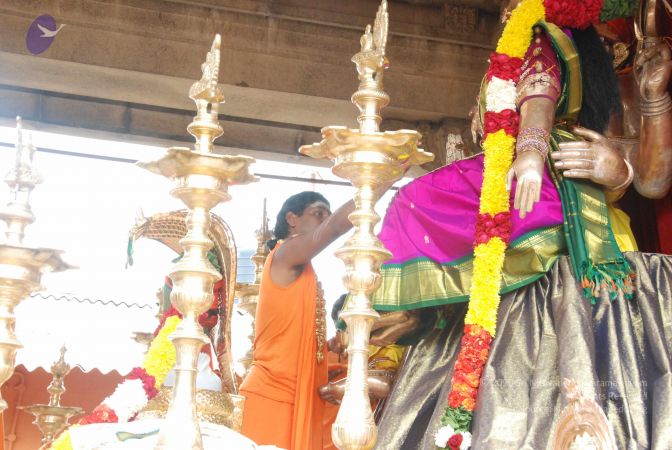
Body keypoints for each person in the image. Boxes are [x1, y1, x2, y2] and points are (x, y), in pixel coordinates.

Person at [369, 1, 672, 449]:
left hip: (586, 234)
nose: (511, 9)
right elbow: (522, 123)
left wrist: (623, 158)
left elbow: (653, 180)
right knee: (418, 209)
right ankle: (392, 338)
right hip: (512, 213)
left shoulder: (613, 76)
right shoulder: (513, 62)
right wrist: (526, 153)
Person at [240, 185, 397, 450]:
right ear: (292, 219)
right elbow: (334, 227)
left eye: (327, 214)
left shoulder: (303, 269)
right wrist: (376, 184)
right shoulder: (284, 254)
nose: (325, 219)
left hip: (299, 397)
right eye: (318, 213)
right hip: (273, 395)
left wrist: (325, 350)